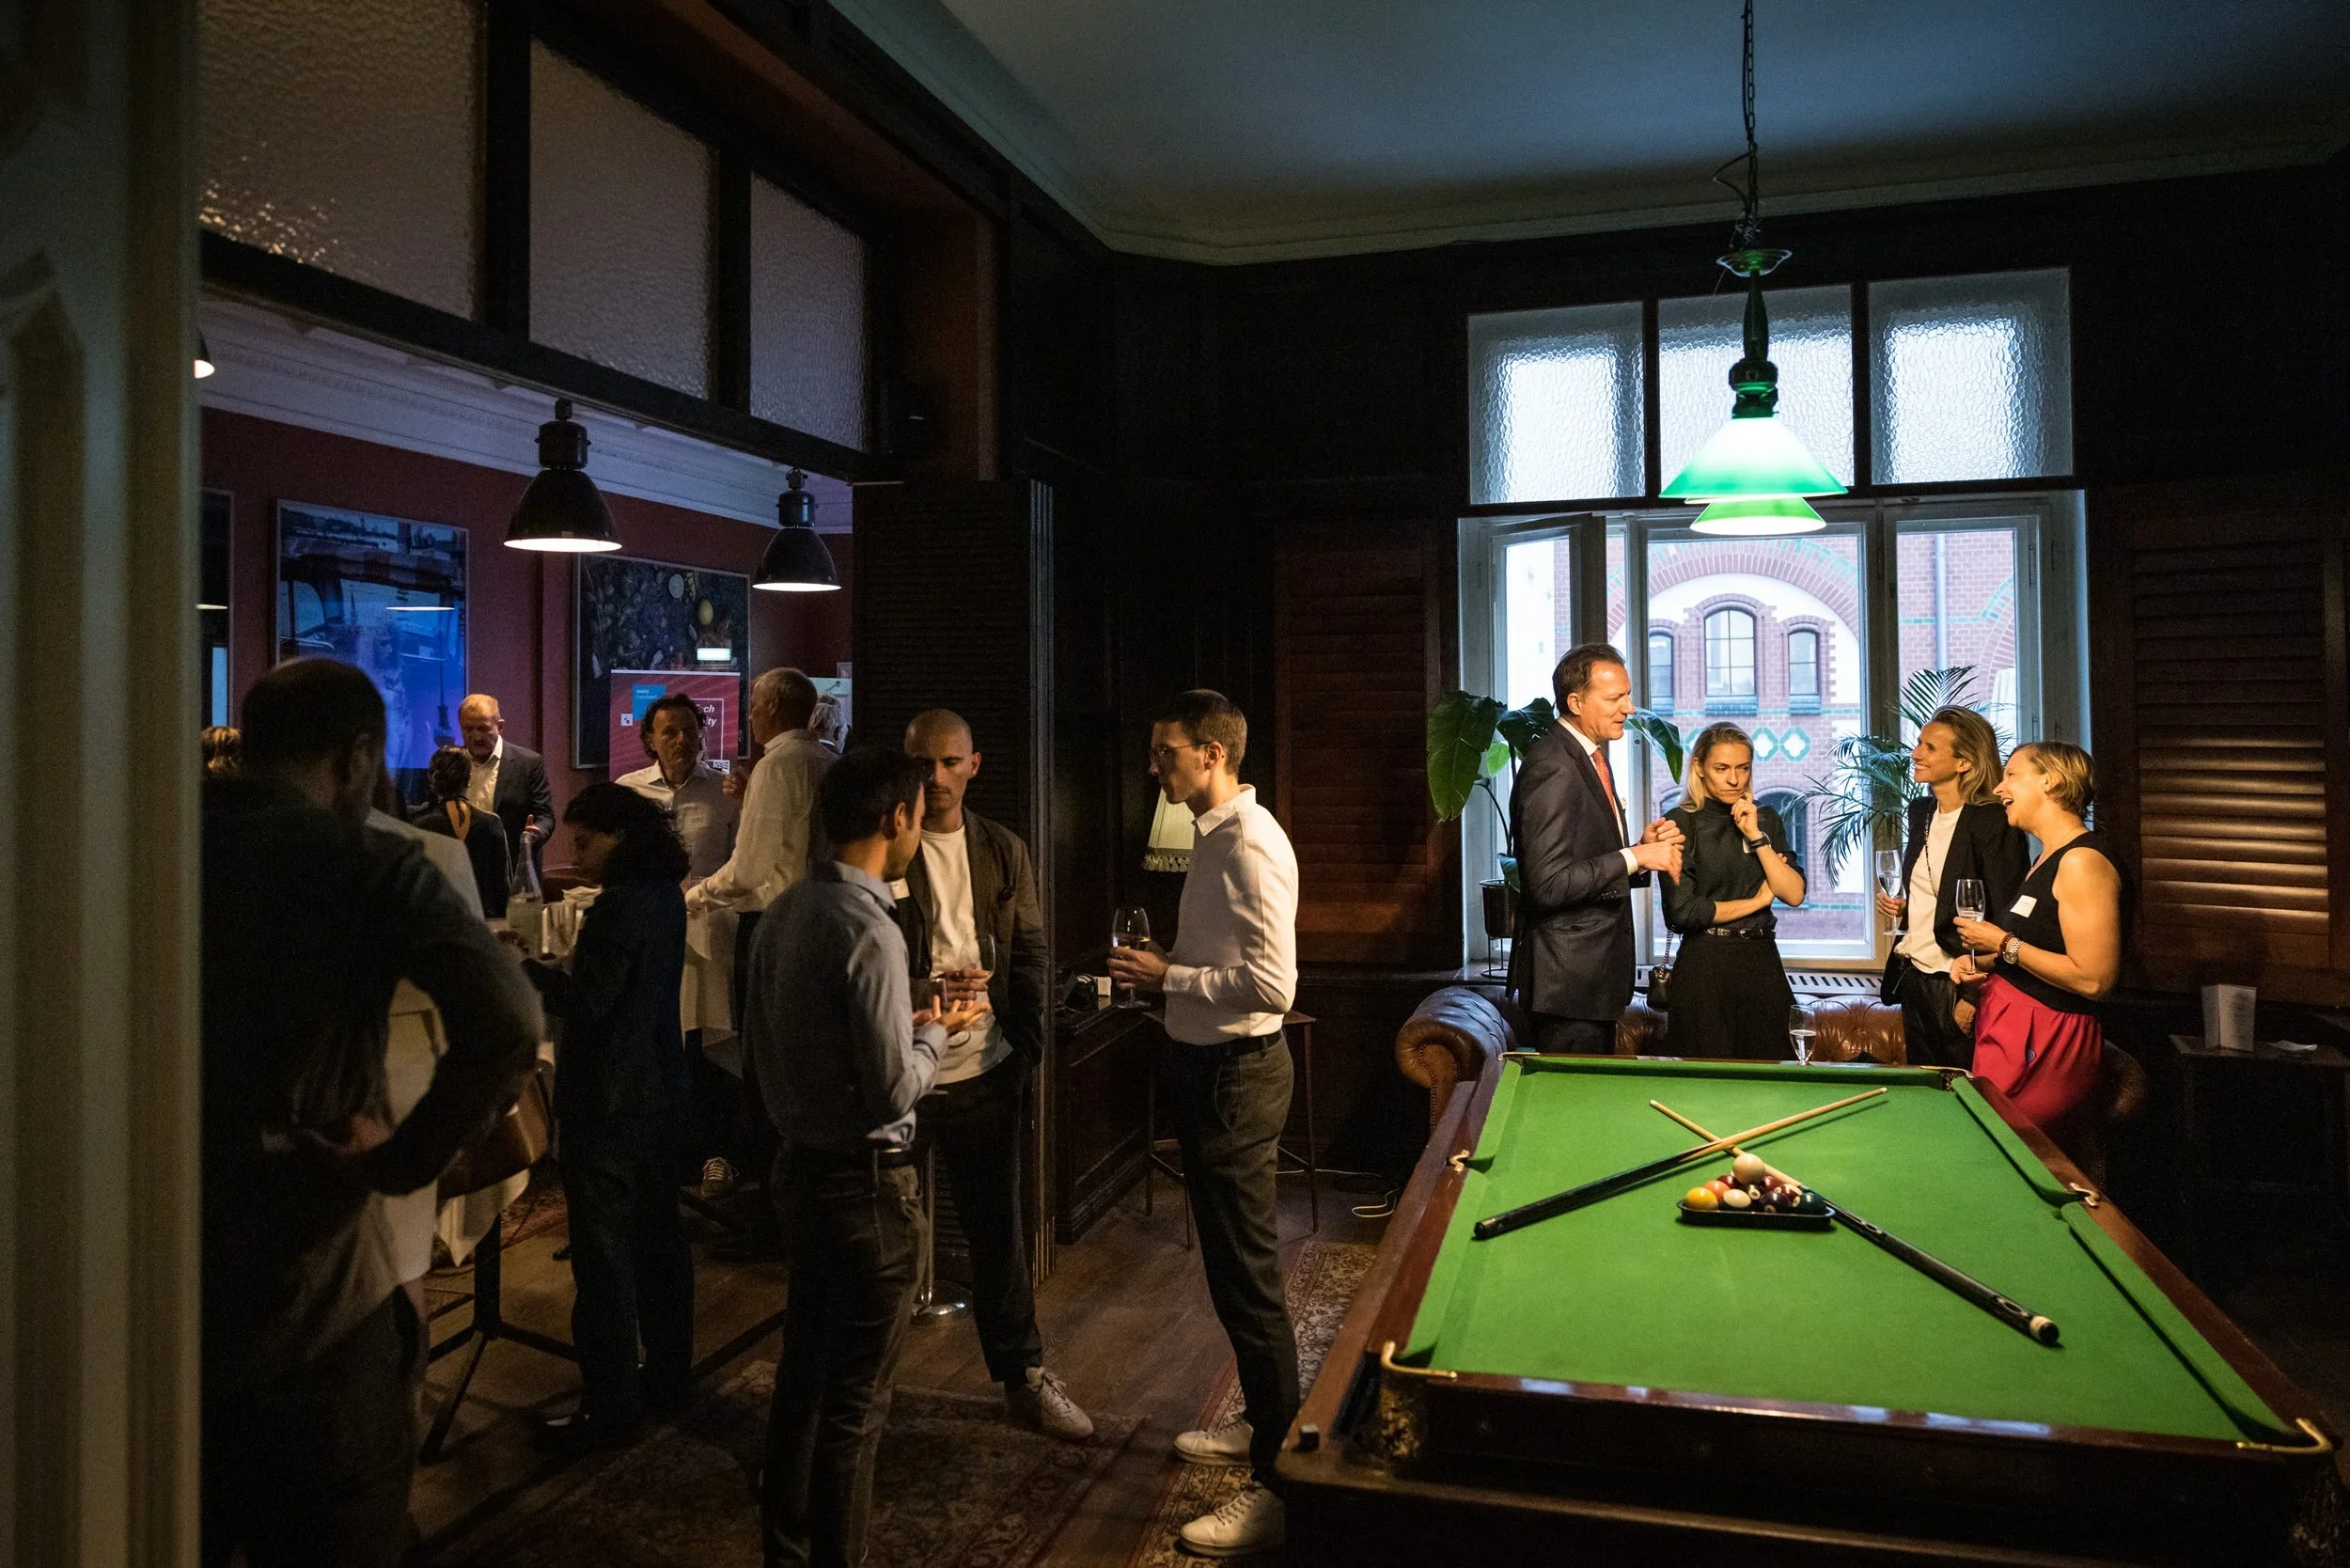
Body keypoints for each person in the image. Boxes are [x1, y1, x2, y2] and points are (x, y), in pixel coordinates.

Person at [202, 658, 540, 1568]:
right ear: (357, 758)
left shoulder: (151, 845)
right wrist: (401, 1162)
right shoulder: (365, 861)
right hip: (313, 1285)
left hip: (150, 1287)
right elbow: (508, 1022)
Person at [746, 747, 987, 1568]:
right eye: (918, 815)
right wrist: (935, 1032)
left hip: (798, 1171)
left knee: (801, 1385)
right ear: (896, 819)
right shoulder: (869, 925)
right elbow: (891, 1093)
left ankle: (784, 1552)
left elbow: (777, 1045)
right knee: (855, 1407)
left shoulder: (785, 911)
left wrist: (905, 1021)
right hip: (867, 1191)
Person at [1105, 690, 1300, 1559]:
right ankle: (1263, 1424)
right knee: (1230, 1275)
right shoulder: (1214, 835)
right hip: (1210, 1071)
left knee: (1249, 1284)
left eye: (1167, 751)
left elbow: (1274, 988)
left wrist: (1169, 978)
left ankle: (1281, 1486)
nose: (1156, 766)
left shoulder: (1250, 844)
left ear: (1213, 753)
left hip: (1237, 1077)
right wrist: (1176, 968)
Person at [897, 710, 1091, 1438]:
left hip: (986, 1069)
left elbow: (1031, 947)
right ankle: (856, 1394)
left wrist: (1027, 1042)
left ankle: (1024, 1377)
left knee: (998, 1234)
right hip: (903, 1071)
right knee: (881, 1240)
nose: (936, 778)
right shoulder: (888, 847)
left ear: (974, 764)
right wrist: (927, 996)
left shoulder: (1002, 848)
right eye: (923, 764)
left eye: (950, 762)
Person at [520, 783, 696, 1452]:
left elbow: (589, 1002)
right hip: (659, 1089)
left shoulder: (618, 906)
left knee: (603, 1260)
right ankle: (670, 1378)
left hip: (607, 1100)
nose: (578, 852)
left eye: (586, 840)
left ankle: (610, 1404)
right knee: (660, 1244)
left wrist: (528, 970)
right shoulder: (665, 896)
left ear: (620, 838)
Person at [1509, 644, 1684, 1054]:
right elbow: (1547, 885)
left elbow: (1585, 860)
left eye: (1628, 695)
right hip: (1567, 987)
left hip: (1588, 985)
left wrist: (1640, 851)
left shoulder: (1586, 756)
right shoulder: (1554, 765)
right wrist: (1635, 857)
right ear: (1575, 702)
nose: (1629, 708)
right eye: (1614, 698)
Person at [1952, 741, 2123, 1146]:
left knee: (2018, 1153)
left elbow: (2094, 979)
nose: (1999, 788)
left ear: (2051, 781)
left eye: (2011, 774)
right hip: (2010, 1029)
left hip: (2049, 1036)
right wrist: (1984, 963)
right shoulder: (2046, 857)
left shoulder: (2082, 861)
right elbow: (2042, 949)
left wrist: (2003, 943)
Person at [1877, 707, 2029, 1067]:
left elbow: (2007, 917)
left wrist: (1972, 997)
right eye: (1919, 743)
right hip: (1914, 975)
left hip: (1959, 982)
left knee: (1964, 1087)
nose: (1916, 754)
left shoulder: (1994, 820)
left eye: (1929, 747)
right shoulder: (1921, 812)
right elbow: (1938, 890)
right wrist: (1909, 907)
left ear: (1964, 762)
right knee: (1923, 1089)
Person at [1659, 723, 1806, 1058]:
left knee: (1772, 1076)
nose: (1734, 779)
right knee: (1705, 1080)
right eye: (1722, 768)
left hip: (1761, 961)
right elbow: (1684, 912)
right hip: (1704, 965)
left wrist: (1756, 836)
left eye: (1743, 768)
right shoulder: (1680, 822)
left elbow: (1794, 894)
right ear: (1699, 767)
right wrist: (1758, 900)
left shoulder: (1765, 819)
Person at [688, 667, 833, 918]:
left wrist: (696, 896)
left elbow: (749, 870)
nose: (750, 717)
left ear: (773, 706)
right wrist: (748, 800)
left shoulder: (774, 765)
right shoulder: (831, 762)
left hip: (779, 916)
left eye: (754, 706)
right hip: (824, 912)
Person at [619, 692, 739, 881]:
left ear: (700, 736)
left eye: (690, 731)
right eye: (670, 732)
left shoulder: (725, 790)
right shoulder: (628, 791)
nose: (682, 739)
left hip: (708, 897)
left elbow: (740, 861)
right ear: (651, 741)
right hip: (647, 897)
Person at [460, 693, 555, 888]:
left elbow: (545, 816)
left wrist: (535, 834)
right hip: (464, 871)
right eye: (468, 729)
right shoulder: (452, 762)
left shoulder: (528, 763)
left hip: (513, 872)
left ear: (500, 726)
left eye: (483, 729)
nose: (476, 737)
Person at [415, 744, 511, 917]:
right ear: (468, 778)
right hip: (483, 922)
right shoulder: (492, 823)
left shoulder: (418, 824)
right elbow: (502, 889)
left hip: (434, 922)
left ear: (432, 780)